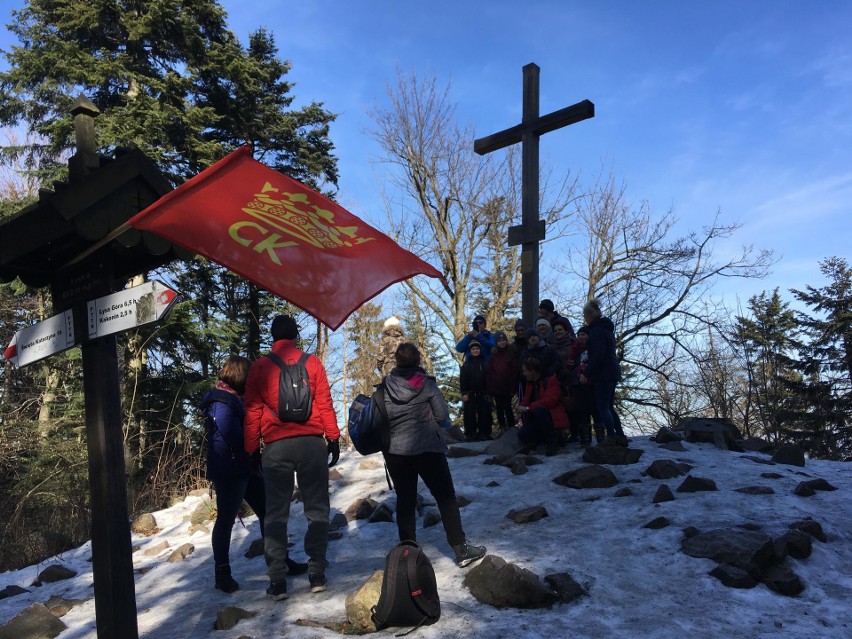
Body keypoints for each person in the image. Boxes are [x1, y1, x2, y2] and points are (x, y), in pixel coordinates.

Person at [244, 315, 341, 601]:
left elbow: (251, 412)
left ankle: (277, 580)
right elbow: (324, 402)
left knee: (275, 513)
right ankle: (317, 573)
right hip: (311, 444)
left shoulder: (260, 367)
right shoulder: (312, 363)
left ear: (273, 337)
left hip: (276, 447)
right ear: (296, 335)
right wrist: (332, 437)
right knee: (318, 510)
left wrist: (252, 450)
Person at [382, 342, 486, 568]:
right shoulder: (426, 384)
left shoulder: (385, 386)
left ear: (397, 362)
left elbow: (381, 419)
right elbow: (441, 414)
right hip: (427, 447)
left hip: (396, 453)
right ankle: (460, 548)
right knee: (445, 496)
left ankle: (408, 555)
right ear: (418, 361)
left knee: (405, 501)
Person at [202, 356, 267, 593]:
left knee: (267, 512)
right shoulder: (222, 402)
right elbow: (231, 436)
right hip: (230, 470)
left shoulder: (233, 400)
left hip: (244, 466)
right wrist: (254, 436)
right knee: (226, 521)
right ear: (240, 376)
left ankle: (278, 561)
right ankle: (222, 573)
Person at [581, 299, 625, 445]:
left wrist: (586, 373)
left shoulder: (596, 332)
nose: (584, 318)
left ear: (589, 315)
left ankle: (611, 437)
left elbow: (598, 355)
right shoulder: (606, 329)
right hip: (612, 371)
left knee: (603, 406)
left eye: (584, 315)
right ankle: (619, 435)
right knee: (609, 406)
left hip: (603, 372)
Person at [516, 357, 570, 455]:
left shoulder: (551, 380)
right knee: (522, 434)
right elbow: (526, 400)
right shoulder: (530, 383)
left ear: (533, 371)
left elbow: (549, 401)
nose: (524, 374)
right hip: (536, 418)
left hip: (551, 418)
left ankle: (552, 440)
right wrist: (520, 409)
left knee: (539, 410)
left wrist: (528, 408)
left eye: (525, 371)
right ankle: (538, 440)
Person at [459, 339, 493, 441]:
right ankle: (470, 434)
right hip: (470, 393)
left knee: (485, 413)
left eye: (477, 348)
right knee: (470, 414)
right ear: (470, 351)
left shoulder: (485, 363)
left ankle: (485, 433)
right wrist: (464, 393)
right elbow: (463, 379)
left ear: (480, 350)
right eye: (473, 349)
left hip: (483, 392)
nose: (475, 350)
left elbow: (489, 378)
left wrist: (489, 391)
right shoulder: (466, 364)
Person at [486, 331, 519, 434]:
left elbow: (514, 370)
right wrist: (490, 388)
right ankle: (502, 428)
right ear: (496, 342)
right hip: (496, 387)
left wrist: (513, 386)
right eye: (499, 341)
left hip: (507, 386)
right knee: (499, 408)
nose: (502, 342)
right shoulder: (494, 355)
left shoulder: (511, 353)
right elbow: (490, 372)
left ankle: (511, 428)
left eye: (504, 340)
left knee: (508, 407)